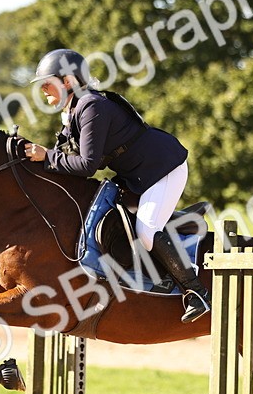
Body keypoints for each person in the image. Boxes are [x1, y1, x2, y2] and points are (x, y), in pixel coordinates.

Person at [22, 48, 210, 323]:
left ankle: (196, 292)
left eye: (47, 83)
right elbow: (61, 155)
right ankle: (165, 240)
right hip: (136, 175)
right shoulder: (73, 109)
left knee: (146, 231)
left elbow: (86, 165)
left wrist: (45, 156)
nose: (43, 91)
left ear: (67, 81)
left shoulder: (91, 107)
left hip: (163, 168)